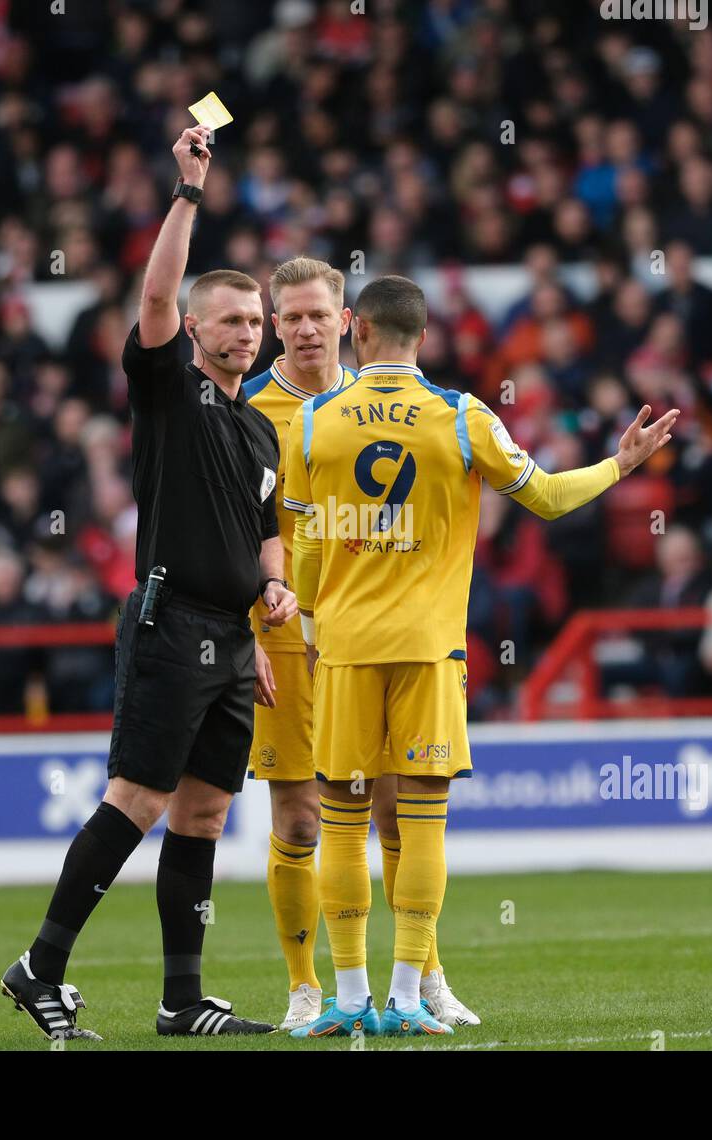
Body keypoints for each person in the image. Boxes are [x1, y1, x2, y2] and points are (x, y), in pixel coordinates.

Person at [283, 275, 678, 1037]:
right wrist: (620, 467)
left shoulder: (310, 422)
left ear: (355, 330)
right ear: (422, 336)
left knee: (341, 820)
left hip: (343, 652)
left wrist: (308, 622)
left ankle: (349, 997)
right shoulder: (463, 418)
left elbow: (302, 546)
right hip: (430, 651)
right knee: (421, 827)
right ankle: (405, 997)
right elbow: (550, 499)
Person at [1, 126, 297, 1039]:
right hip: (170, 624)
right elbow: (158, 288)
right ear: (198, 328)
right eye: (234, 321)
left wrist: (273, 592)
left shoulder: (259, 431)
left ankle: (180, 998)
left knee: (203, 817)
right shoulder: (171, 386)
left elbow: (265, 530)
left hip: (232, 634)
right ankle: (38, 965)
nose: (248, 335)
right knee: (137, 799)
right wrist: (189, 190)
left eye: (259, 323)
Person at [244, 255, 479, 1031]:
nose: (307, 329)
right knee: (301, 819)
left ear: (349, 323)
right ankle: (306, 989)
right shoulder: (246, 408)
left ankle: (424, 980)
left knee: (393, 813)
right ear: (275, 325)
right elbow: (230, 527)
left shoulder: (377, 404)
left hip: (361, 635)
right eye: (292, 317)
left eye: (320, 315)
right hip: (279, 635)